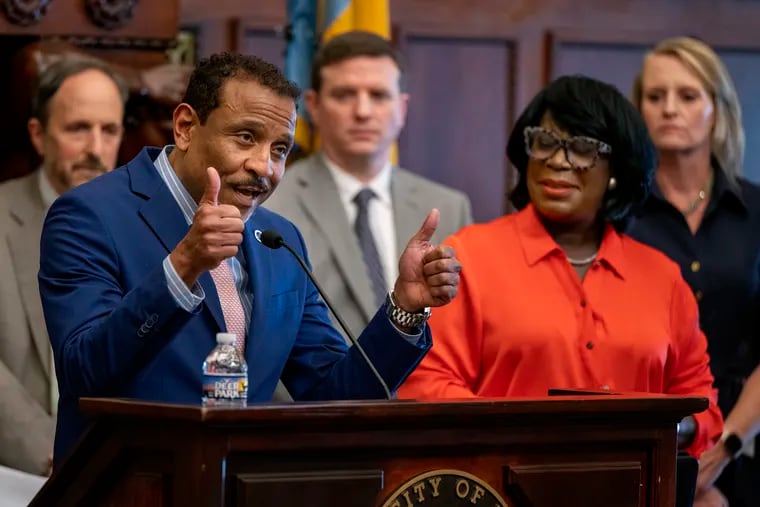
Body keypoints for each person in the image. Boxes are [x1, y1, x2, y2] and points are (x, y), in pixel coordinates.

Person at [38, 52, 462, 468]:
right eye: (245, 137)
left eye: (280, 149)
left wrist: (404, 310)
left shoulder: (278, 239)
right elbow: (84, 372)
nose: (264, 167)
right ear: (186, 127)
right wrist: (183, 265)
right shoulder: (90, 214)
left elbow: (333, 395)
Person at [397, 75, 723, 461]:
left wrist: (661, 427)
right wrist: (528, 438)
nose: (557, 160)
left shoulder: (662, 277)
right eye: (544, 142)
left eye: (582, 148)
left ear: (617, 167)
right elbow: (428, 386)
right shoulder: (469, 256)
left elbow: (703, 409)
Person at [266, 31, 472, 340]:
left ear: (402, 108)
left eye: (378, 95)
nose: (362, 112)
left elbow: (465, 328)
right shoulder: (273, 203)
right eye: (344, 95)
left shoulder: (449, 207)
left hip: (426, 385)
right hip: (314, 386)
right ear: (313, 106)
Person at [629, 36, 760, 507]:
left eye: (687, 96)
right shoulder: (620, 214)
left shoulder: (756, 211)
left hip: (745, 439)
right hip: (643, 435)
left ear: (717, 110)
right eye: (655, 96)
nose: (669, 109)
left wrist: (726, 445)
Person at [0, 56, 127, 475]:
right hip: (19, 470)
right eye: (78, 129)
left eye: (109, 130)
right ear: (38, 135)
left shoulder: (149, 227)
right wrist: (57, 455)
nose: (95, 149)